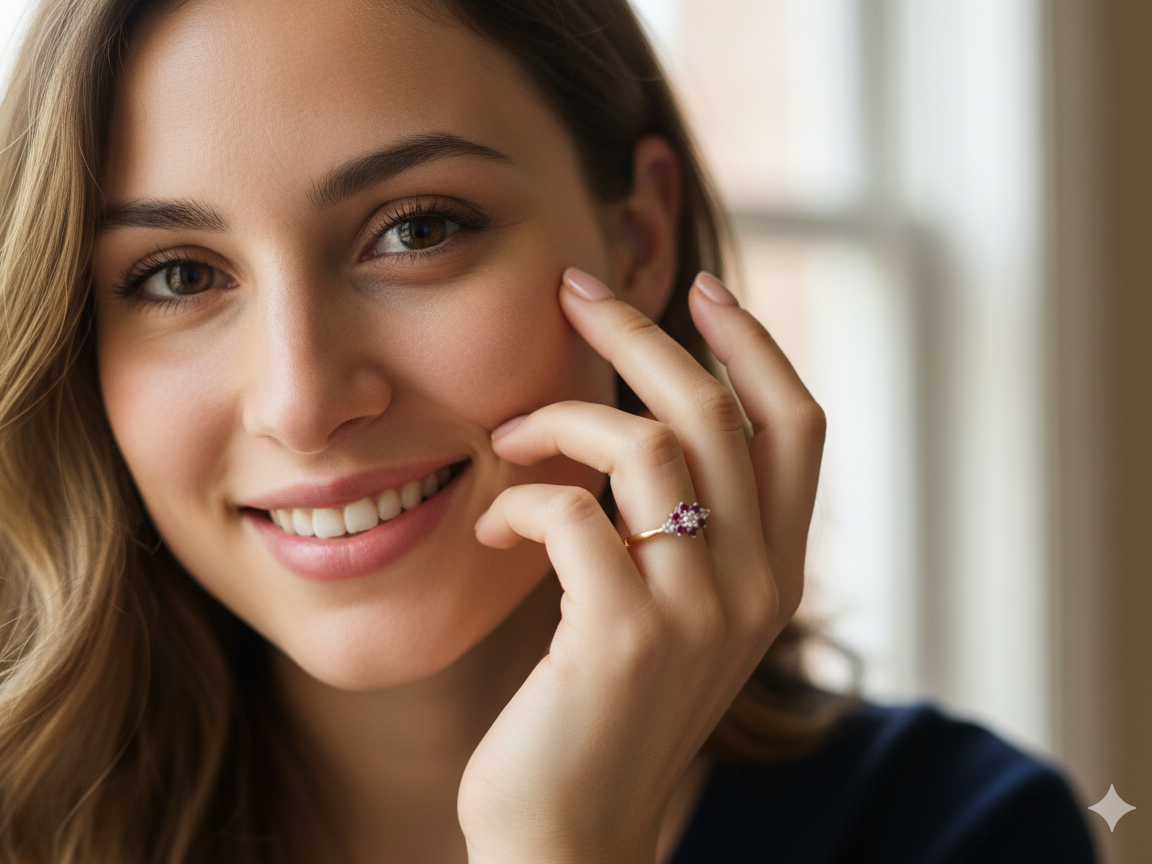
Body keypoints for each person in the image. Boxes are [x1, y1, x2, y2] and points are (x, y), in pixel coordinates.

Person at [0, 0, 1097, 862]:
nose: (301, 399)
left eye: (417, 230)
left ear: (640, 237)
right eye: (176, 275)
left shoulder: (961, 834)